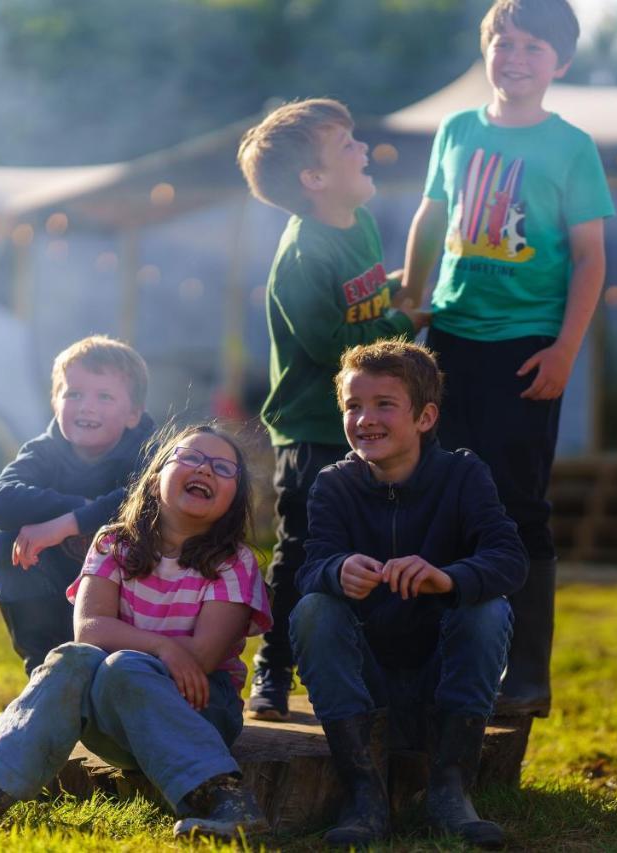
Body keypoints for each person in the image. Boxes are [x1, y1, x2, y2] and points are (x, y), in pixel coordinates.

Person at [399, 0, 613, 717]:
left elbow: (589, 257)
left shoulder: (571, 145)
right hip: (451, 338)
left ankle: (524, 674)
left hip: (527, 348)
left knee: (518, 504)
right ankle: (438, 661)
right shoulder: (457, 130)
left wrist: (564, 349)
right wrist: (413, 295)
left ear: (562, 63)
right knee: (438, 495)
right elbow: (432, 215)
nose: (515, 58)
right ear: (485, 49)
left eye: (532, 47)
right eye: (504, 43)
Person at [0, 424, 273, 840]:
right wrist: (162, 646)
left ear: (235, 499)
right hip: (113, 720)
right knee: (73, 658)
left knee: (124, 666)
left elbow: (199, 659)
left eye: (222, 467)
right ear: (157, 472)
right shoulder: (114, 544)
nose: (206, 470)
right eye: (191, 458)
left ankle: (226, 799)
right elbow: (90, 629)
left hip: (198, 710)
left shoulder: (234, 563)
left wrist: (145, 653)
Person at [236, 98, 429, 720]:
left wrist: (396, 293)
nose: (362, 149)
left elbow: (363, 305)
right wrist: (407, 321)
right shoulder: (301, 255)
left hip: (365, 423)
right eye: (345, 145)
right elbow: (334, 347)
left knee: (371, 539)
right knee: (302, 548)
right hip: (312, 428)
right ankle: (273, 670)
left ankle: (364, 667)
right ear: (313, 180)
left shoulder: (362, 224)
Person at [290, 341, 527, 847]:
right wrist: (337, 571)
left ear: (424, 417)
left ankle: (450, 789)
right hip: (366, 684)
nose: (365, 419)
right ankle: (364, 794)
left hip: (442, 679)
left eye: (384, 405)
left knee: (488, 608)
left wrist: (448, 578)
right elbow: (309, 569)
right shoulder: (334, 485)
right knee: (313, 609)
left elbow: (510, 559)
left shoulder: (464, 475)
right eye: (353, 406)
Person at [0, 335, 156, 674]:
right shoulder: (45, 451)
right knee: (4, 544)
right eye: (73, 393)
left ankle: (123, 671)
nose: (86, 406)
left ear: (134, 414)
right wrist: (82, 507)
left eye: (104, 396)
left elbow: (142, 501)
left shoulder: (148, 451)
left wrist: (67, 524)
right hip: (61, 589)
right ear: (55, 402)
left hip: (130, 597)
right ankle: (45, 667)